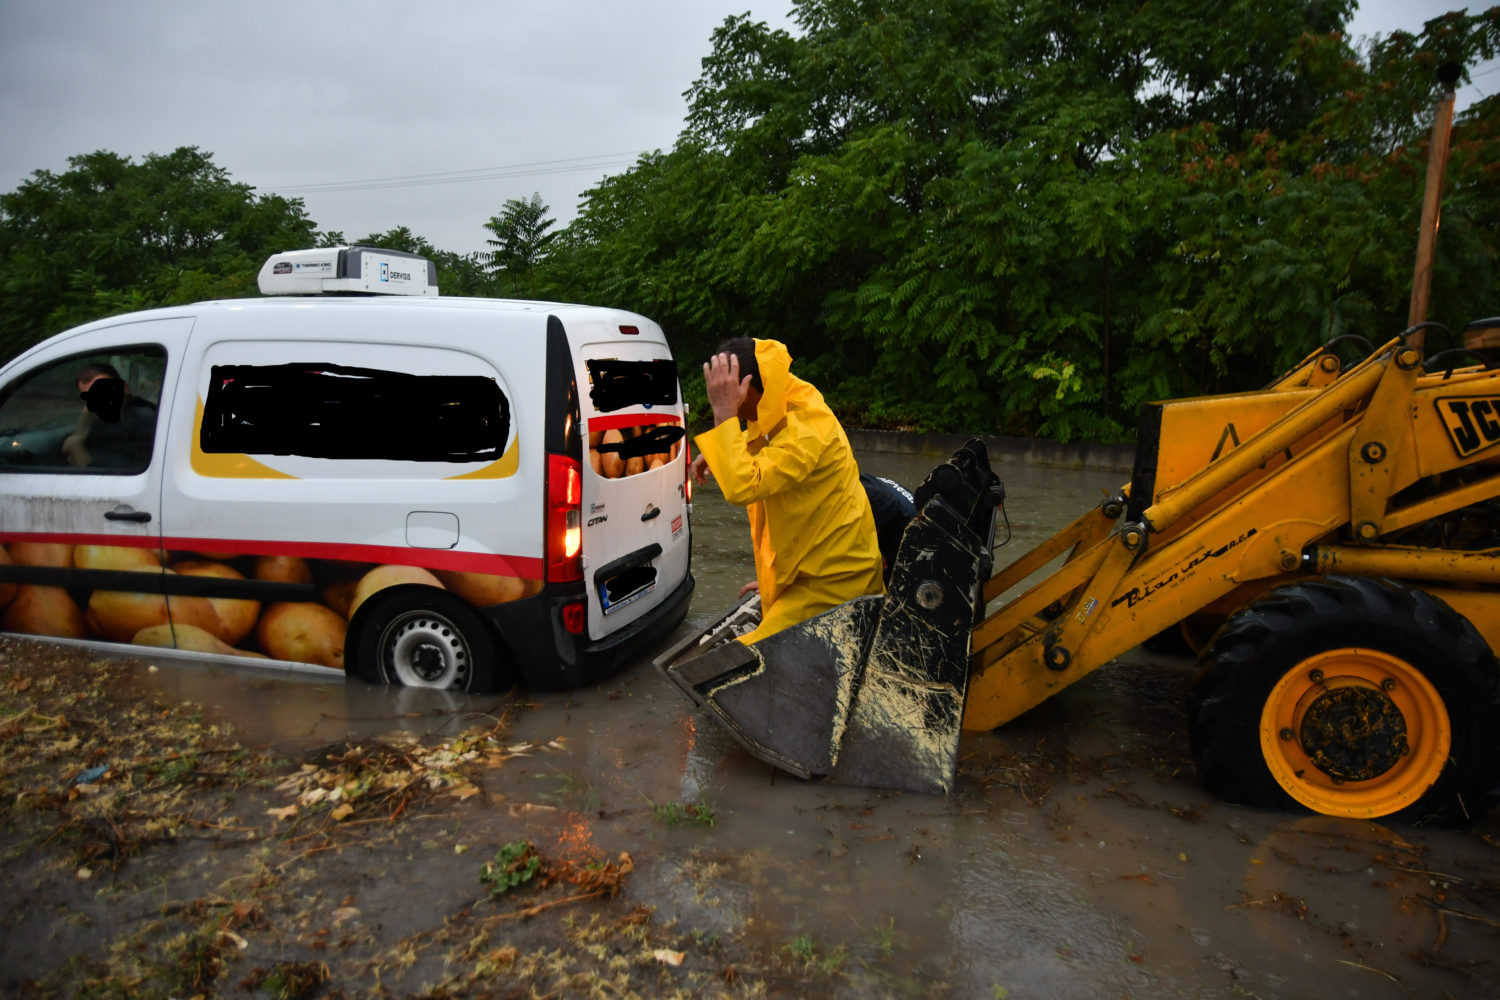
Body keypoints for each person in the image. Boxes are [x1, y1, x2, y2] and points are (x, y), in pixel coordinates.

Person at [691, 337, 883, 644]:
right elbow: (768, 447)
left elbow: (744, 486)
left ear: (749, 387)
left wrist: (723, 416)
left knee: (733, 664)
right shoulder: (778, 398)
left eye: (732, 397)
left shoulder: (806, 423)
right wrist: (722, 449)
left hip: (835, 584)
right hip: (808, 576)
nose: (737, 413)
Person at [62, 362, 157, 469]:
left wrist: (76, 448)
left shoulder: (147, 418)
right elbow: (72, 448)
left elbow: (129, 475)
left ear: (124, 387)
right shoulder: (106, 416)